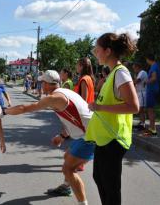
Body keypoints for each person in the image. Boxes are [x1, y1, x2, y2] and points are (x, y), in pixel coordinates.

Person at [5, 70, 94, 205]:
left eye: (42, 83)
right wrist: (62, 136)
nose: (41, 85)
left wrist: (3, 111)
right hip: (86, 133)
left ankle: (83, 203)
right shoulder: (65, 92)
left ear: (47, 84)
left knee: (68, 169)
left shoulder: (53, 98)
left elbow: (24, 108)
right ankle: (66, 187)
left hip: (90, 136)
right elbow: (73, 118)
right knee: (67, 157)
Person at [86, 32, 139, 205]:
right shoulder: (112, 73)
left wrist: (100, 107)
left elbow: (133, 106)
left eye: (97, 49)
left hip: (114, 139)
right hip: (105, 138)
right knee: (100, 178)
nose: (95, 53)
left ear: (108, 51)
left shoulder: (121, 73)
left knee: (110, 186)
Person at [143, 54, 160, 136]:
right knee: (150, 110)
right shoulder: (156, 66)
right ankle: (151, 127)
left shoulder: (153, 66)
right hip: (154, 89)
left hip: (151, 90)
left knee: (150, 110)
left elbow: (154, 78)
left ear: (148, 59)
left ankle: (153, 129)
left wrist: (146, 81)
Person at [132, 62, 148, 131]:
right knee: (141, 110)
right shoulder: (139, 73)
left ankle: (142, 124)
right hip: (139, 93)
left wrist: (130, 83)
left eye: (134, 68)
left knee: (140, 109)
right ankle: (142, 123)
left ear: (137, 67)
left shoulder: (142, 72)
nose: (134, 70)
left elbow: (137, 81)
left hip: (142, 92)